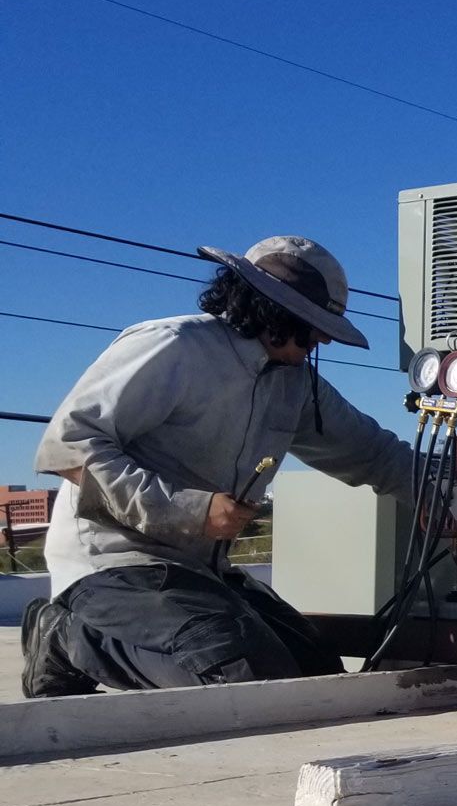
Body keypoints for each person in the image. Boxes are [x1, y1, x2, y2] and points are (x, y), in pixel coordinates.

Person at [21, 236, 425, 696]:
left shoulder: (295, 384)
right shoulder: (174, 347)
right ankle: (65, 634)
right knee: (244, 677)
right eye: (315, 326)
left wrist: (447, 495)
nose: (325, 339)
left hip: (198, 571)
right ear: (274, 311)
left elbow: (372, 451)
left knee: (317, 673)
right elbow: (69, 445)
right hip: (113, 562)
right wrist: (190, 510)